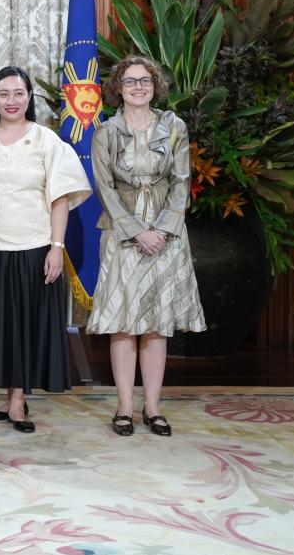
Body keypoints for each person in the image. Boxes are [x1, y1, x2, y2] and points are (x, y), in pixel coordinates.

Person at [0, 65, 91, 433]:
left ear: (30, 97)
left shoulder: (47, 141)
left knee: (24, 326)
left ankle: (17, 403)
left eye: (19, 93)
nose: (11, 101)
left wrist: (56, 248)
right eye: (3, 94)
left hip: (33, 248)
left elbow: (60, 198)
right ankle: (10, 394)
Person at [86, 55, 205, 437]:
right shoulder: (106, 131)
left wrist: (163, 230)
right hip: (122, 234)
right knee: (123, 322)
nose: (138, 87)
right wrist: (137, 231)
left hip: (166, 236)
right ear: (118, 88)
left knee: (156, 324)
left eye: (145, 81)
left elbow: (181, 182)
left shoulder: (174, 127)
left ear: (156, 87)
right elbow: (104, 188)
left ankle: (153, 408)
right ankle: (124, 407)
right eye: (131, 81)